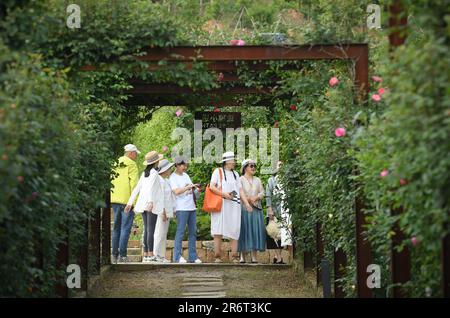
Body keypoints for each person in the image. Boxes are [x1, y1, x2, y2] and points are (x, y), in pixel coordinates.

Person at [209, 151, 252, 264]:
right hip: (221, 205)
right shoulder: (217, 172)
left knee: (234, 229)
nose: (234, 162)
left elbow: (240, 190)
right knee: (218, 230)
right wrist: (224, 194)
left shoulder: (235, 174)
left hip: (234, 205)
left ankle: (234, 257)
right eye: (233, 160)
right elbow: (212, 186)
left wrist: (246, 203)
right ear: (227, 162)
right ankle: (217, 256)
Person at [125, 151, 163, 262]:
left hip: (142, 204)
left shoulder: (144, 173)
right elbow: (151, 187)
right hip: (150, 204)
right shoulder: (154, 173)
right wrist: (151, 202)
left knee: (147, 229)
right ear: (156, 162)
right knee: (151, 230)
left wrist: (130, 202)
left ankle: (146, 254)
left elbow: (137, 188)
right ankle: (150, 254)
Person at [110, 144, 140, 263]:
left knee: (116, 228)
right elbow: (134, 184)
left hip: (115, 199)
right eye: (136, 153)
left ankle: (114, 255)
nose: (136, 155)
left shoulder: (115, 162)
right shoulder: (132, 164)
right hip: (127, 201)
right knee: (125, 228)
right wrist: (134, 202)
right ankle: (123, 255)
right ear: (131, 153)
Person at [170, 156, 202, 264]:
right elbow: (177, 191)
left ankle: (192, 256)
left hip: (191, 206)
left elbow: (189, 188)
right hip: (181, 208)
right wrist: (188, 187)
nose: (185, 167)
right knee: (180, 232)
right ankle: (177, 257)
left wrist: (195, 189)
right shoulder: (173, 177)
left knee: (193, 232)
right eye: (183, 165)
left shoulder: (186, 175)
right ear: (177, 165)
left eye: (186, 165)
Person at [238, 159, 266, 263]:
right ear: (245, 168)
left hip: (256, 209)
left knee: (255, 231)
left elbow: (263, 192)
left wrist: (257, 197)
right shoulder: (240, 179)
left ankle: (254, 256)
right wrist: (248, 199)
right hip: (244, 209)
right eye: (251, 166)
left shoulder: (258, 180)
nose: (253, 167)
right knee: (244, 231)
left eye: (254, 166)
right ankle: (242, 256)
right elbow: (238, 193)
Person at [148, 159, 176, 263]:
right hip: (161, 210)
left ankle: (161, 255)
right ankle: (156, 254)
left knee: (164, 233)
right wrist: (163, 211)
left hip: (167, 210)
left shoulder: (166, 180)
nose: (170, 170)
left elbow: (170, 196)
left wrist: (173, 209)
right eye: (169, 169)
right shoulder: (159, 180)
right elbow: (160, 197)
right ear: (164, 170)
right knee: (159, 233)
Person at [266, 161, 292, 264]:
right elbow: (268, 195)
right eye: (279, 165)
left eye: (282, 165)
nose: (281, 167)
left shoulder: (287, 180)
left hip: (285, 212)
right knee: (275, 233)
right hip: (275, 210)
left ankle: (278, 257)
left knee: (283, 235)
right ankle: (279, 257)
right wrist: (269, 209)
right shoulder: (271, 180)